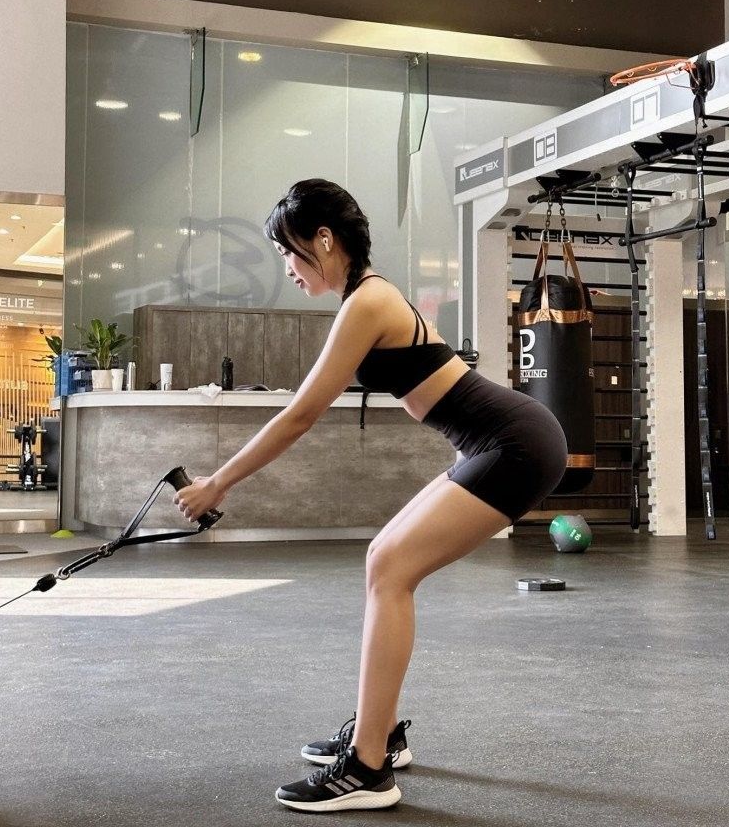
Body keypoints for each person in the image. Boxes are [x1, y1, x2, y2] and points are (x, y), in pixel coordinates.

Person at [174, 179, 568, 813]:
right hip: (494, 442)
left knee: (389, 568)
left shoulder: (367, 302)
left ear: (324, 239)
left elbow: (301, 415)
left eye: (289, 251)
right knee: (384, 560)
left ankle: (367, 767)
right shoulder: (367, 295)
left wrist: (217, 483)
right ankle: (377, 734)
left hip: (514, 443)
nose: (287, 267)